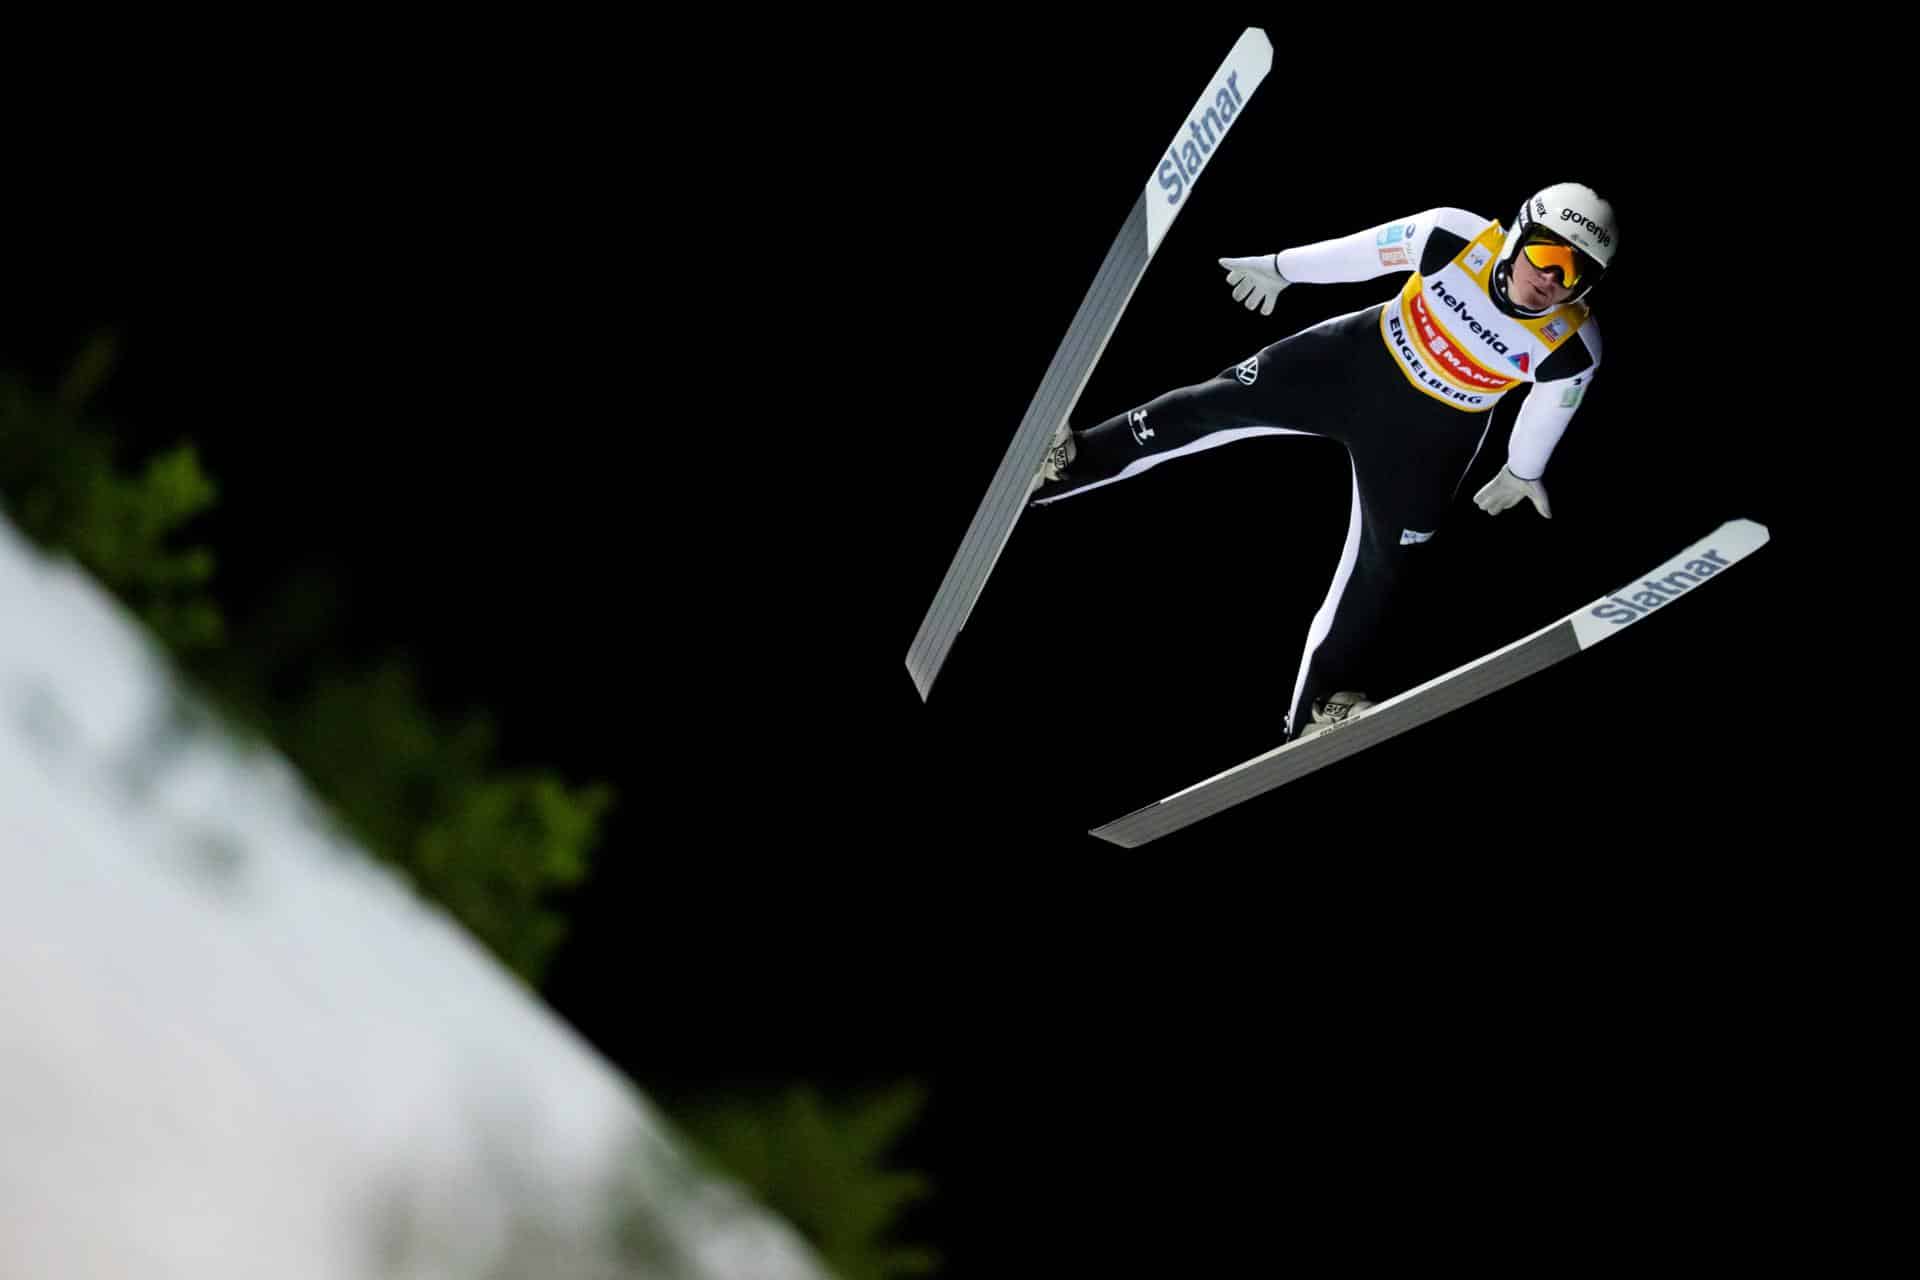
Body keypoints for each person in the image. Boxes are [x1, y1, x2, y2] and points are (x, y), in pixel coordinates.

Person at [1028, 182, 1617, 742]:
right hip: (1349, 365)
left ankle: (1317, 707)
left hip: (1430, 437)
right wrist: (1282, 268)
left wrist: (1522, 469)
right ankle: (1069, 463)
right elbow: (1363, 253)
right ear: (1517, 236)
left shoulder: (1573, 345)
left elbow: (1548, 412)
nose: (1549, 279)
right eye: (1545, 254)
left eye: (1574, 273)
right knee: (1206, 406)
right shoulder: (1454, 237)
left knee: (1380, 570)